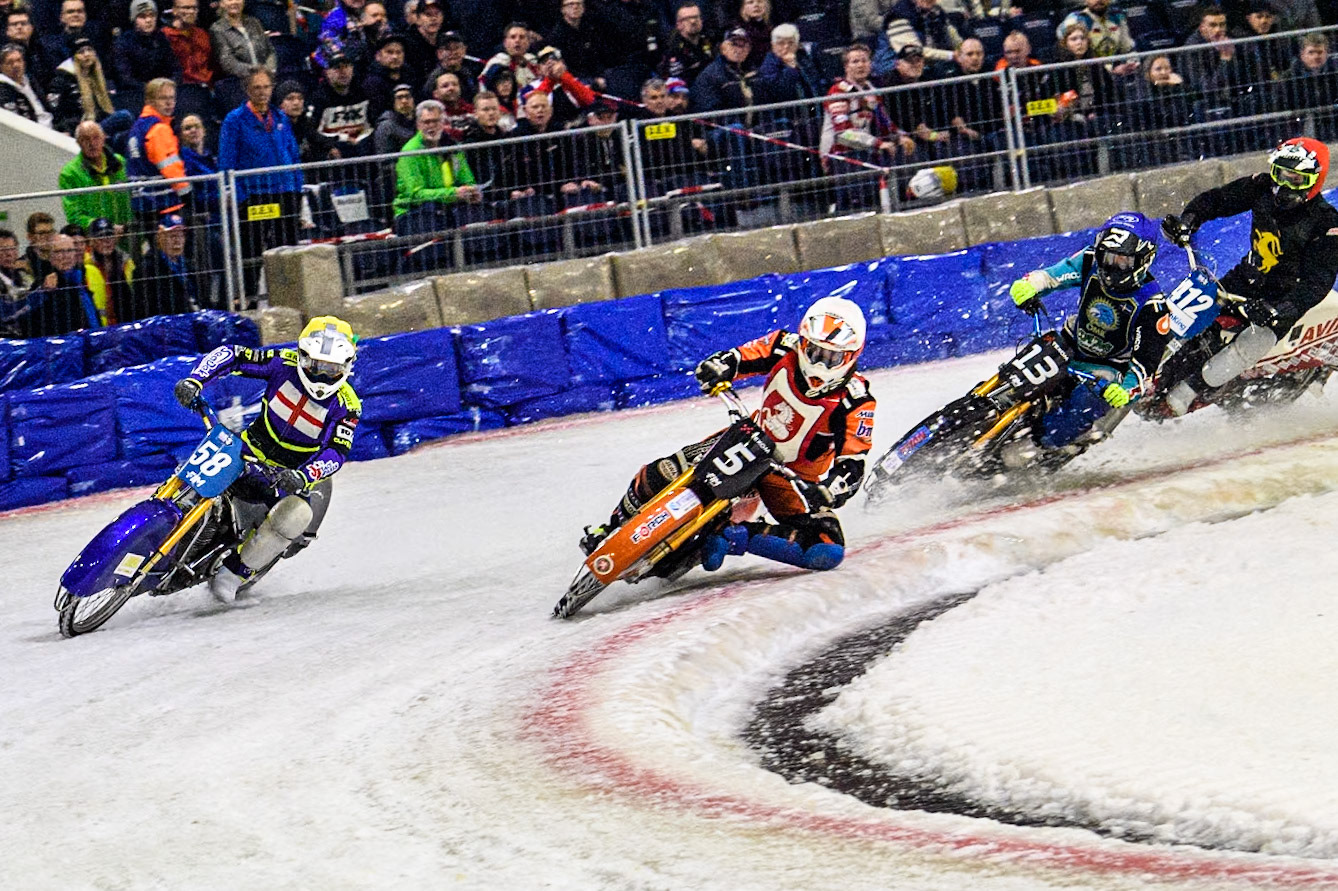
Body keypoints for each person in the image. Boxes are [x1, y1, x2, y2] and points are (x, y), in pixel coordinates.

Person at [580, 296, 877, 573]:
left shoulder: (857, 400)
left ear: (852, 356)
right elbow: (737, 357)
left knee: (827, 548)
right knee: (665, 470)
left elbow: (853, 464)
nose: (817, 364)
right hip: (748, 440)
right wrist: (716, 368)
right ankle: (609, 528)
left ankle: (734, 535)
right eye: (812, 351)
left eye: (830, 358)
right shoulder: (783, 346)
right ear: (802, 341)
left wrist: (829, 491)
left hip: (792, 478)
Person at [172, 315, 362, 603]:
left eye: (331, 369)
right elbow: (234, 355)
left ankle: (232, 575)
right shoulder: (282, 363)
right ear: (301, 356)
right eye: (315, 365)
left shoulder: (347, 405)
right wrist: (195, 379)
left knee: (297, 514)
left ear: (347, 366)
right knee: (190, 469)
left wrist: (305, 475)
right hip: (246, 449)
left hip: (288, 475)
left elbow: (336, 452)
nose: (321, 376)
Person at [1157, 138, 1338, 416]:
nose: (1284, 185)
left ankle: (1187, 392)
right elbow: (1218, 200)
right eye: (1281, 174)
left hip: (1282, 297)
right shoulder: (1262, 186)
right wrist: (1189, 219)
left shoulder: (1327, 223)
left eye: (1296, 179)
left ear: (1314, 182)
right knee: (1185, 307)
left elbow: (1317, 283)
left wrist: (1277, 309)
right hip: (1245, 278)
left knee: (1254, 341)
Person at [1006, 212, 1171, 462]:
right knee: (1017, 374)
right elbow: (1054, 275)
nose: (1112, 266)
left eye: (1122, 261)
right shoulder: (1089, 260)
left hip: (1107, 369)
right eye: (1107, 257)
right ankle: (989, 399)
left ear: (1143, 260)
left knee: (1075, 413)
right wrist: (1031, 284)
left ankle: (1033, 447)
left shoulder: (1153, 304)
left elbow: (1146, 362)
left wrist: (1126, 389)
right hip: (1070, 343)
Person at [219, 66, 304, 296]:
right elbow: (227, 163)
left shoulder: (280, 117)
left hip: (285, 193)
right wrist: (240, 196)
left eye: (266, 87)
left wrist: (297, 189)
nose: (262, 92)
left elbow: (293, 154)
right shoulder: (234, 120)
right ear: (247, 90)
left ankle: (290, 298)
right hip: (255, 196)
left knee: (287, 251)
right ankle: (250, 301)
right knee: (253, 254)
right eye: (257, 87)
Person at [125, 77, 192, 231]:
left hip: (142, 203)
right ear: (150, 101)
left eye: (172, 98)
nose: (169, 103)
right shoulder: (159, 129)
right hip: (163, 203)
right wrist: (187, 195)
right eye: (163, 98)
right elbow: (171, 168)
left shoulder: (137, 127)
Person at [14, 232, 99, 338]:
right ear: (50, 256)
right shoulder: (44, 285)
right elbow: (28, 322)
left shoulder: (80, 279)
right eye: (59, 251)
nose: (65, 256)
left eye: (70, 250)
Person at [59, 120, 132, 233]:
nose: (92, 143)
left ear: (104, 138)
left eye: (96, 137)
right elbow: (74, 215)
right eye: (86, 139)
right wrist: (104, 227)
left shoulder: (120, 162)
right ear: (78, 142)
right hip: (96, 238)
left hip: (129, 235)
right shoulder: (69, 173)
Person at [45, 36, 126, 137]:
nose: (87, 54)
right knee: (124, 116)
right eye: (81, 52)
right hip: (79, 129)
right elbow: (54, 108)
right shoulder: (62, 79)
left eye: (89, 50)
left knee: (123, 135)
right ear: (74, 57)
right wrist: (64, 128)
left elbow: (104, 111)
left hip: (97, 126)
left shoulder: (97, 78)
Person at [123, 212, 198, 321]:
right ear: (160, 237)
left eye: (180, 235)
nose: (177, 241)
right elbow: (144, 310)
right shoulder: (147, 270)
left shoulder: (189, 266)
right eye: (172, 235)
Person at [112, 0, 180, 113]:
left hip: (164, 93)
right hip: (136, 96)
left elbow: (176, 69)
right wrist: (153, 89)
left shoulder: (161, 38)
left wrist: (169, 85)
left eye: (152, 15)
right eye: (142, 16)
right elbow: (124, 78)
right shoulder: (123, 43)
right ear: (134, 19)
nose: (148, 20)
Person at [83, 216, 134, 326]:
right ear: (91, 241)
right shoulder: (85, 267)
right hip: (100, 328)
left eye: (110, 236)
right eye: (101, 237)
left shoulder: (127, 262)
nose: (107, 242)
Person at [659, 2, 715, 86]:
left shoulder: (711, 40)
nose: (693, 21)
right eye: (687, 18)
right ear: (678, 25)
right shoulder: (673, 50)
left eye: (696, 17)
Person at [0, 41, 52, 126]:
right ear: (1, 67)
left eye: (19, 60)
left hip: (52, 127)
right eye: (10, 62)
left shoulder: (31, 80)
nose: (16, 65)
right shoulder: (3, 89)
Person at [374, 81, 418, 154]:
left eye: (407, 96)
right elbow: (384, 160)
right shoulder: (386, 126)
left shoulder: (422, 121)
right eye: (399, 98)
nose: (404, 101)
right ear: (393, 102)